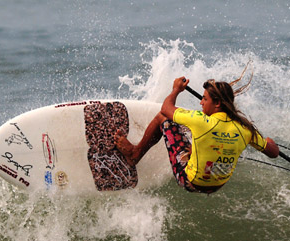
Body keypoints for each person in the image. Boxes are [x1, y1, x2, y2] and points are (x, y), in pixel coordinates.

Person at [116, 76, 279, 194]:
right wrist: (267, 141)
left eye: (205, 99)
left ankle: (134, 154)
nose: (201, 102)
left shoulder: (201, 120)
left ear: (217, 104)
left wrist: (176, 90)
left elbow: (166, 108)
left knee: (163, 118)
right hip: (216, 186)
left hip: (191, 181)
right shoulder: (245, 129)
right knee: (189, 130)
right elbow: (273, 152)